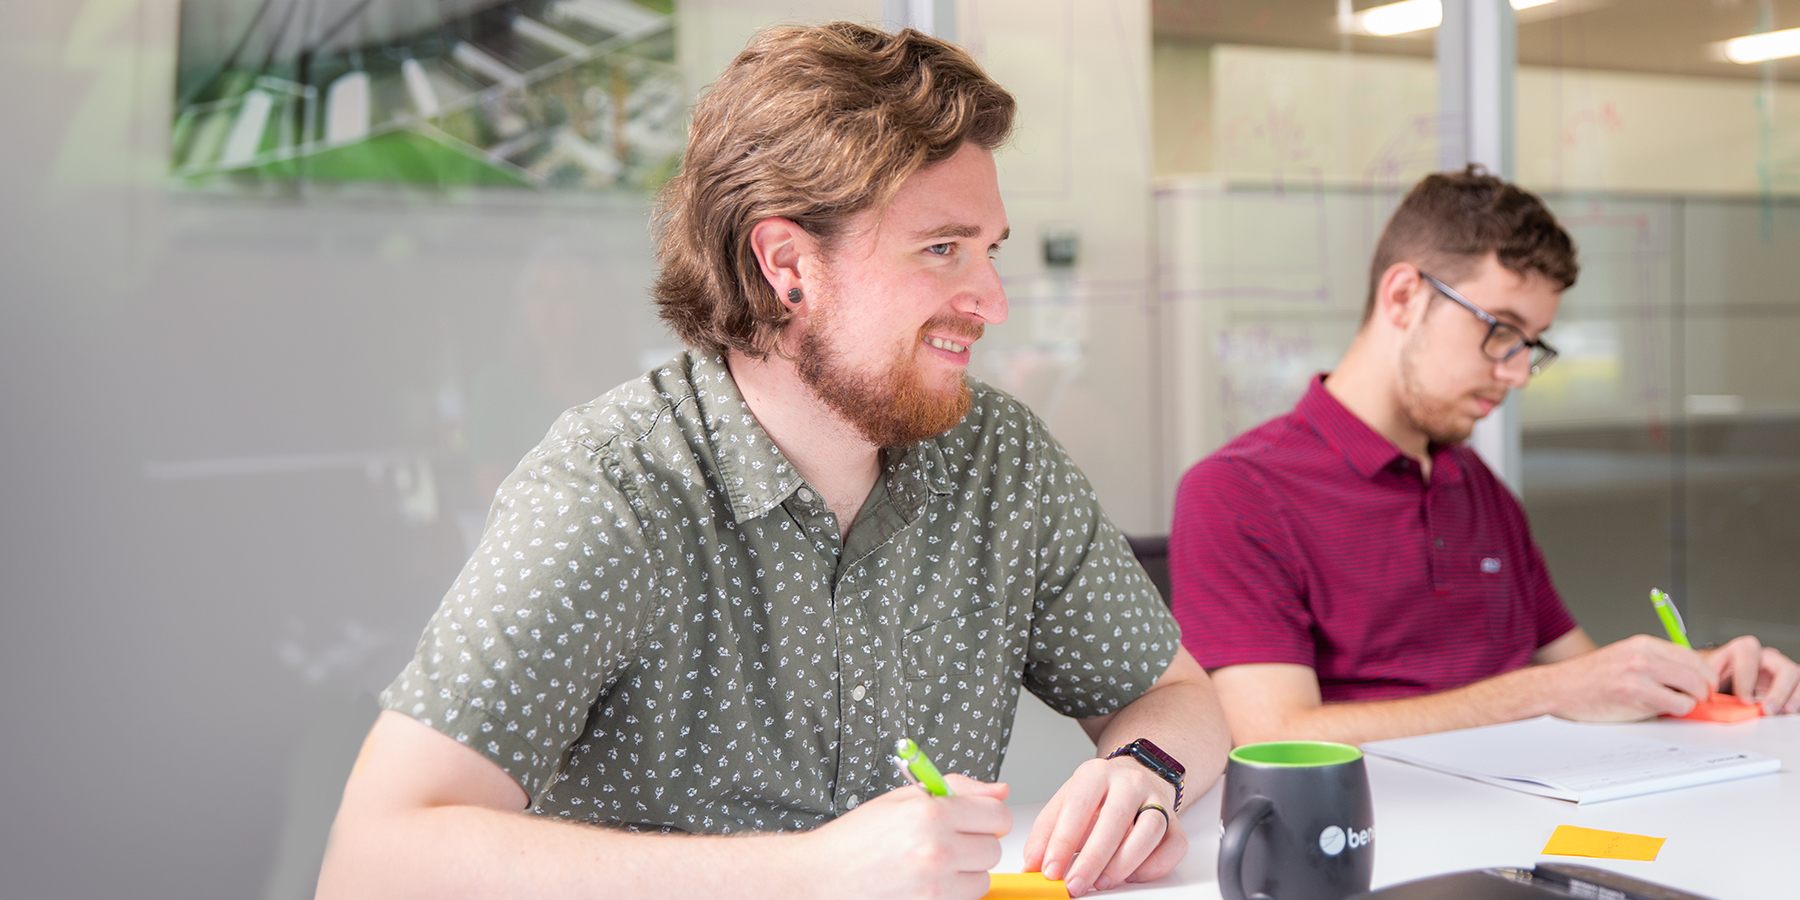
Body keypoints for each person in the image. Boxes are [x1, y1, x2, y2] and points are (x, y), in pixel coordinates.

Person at [318, 22, 1228, 900]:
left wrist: (1143, 772)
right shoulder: (614, 490)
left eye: (988, 251)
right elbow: (376, 860)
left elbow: (1173, 693)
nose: (989, 300)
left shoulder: (999, 458)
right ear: (787, 264)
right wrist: (809, 877)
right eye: (941, 250)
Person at [1167, 166, 1800, 748]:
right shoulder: (1239, 492)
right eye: (1500, 330)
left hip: (1538, 814)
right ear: (1404, 297)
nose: (1519, 372)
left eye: (1532, 344)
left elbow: (1582, 674)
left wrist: (1695, 676)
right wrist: (1545, 693)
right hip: (1378, 840)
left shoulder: (1473, 484)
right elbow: (1272, 735)